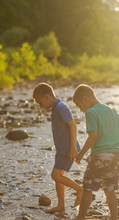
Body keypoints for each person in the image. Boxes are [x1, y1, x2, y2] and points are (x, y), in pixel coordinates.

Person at [66, 84, 119, 220]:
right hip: (115, 155)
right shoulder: (111, 111)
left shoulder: (91, 112)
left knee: (88, 187)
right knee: (110, 188)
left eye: (80, 105)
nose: (81, 110)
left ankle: (80, 219)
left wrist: (82, 153)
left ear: (86, 99)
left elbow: (93, 135)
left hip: (101, 155)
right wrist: (114, 141)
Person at [32, 82, 83, 213]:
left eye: (40, 102)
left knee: (55, 175)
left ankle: (79, 190)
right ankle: (61, 205)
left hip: (67, 149)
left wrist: (72, 147)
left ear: (47, 97)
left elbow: (73, 125)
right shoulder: (56, 108)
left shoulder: (60, 107)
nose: (40, 106)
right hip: (62, 149)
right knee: (59, 176)